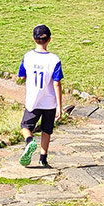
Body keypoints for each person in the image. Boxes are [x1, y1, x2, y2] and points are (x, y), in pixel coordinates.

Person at [18, 24, 64, 167]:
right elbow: (57, 83)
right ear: (49, 39)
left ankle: (30, 142)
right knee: (47, 130)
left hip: (33, 100)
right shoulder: (54, 59)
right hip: (49, 101)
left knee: (25, 126)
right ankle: (43, 158)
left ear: (33, 39)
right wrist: (59, 106)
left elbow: (22, 75)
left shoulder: (28, 57)